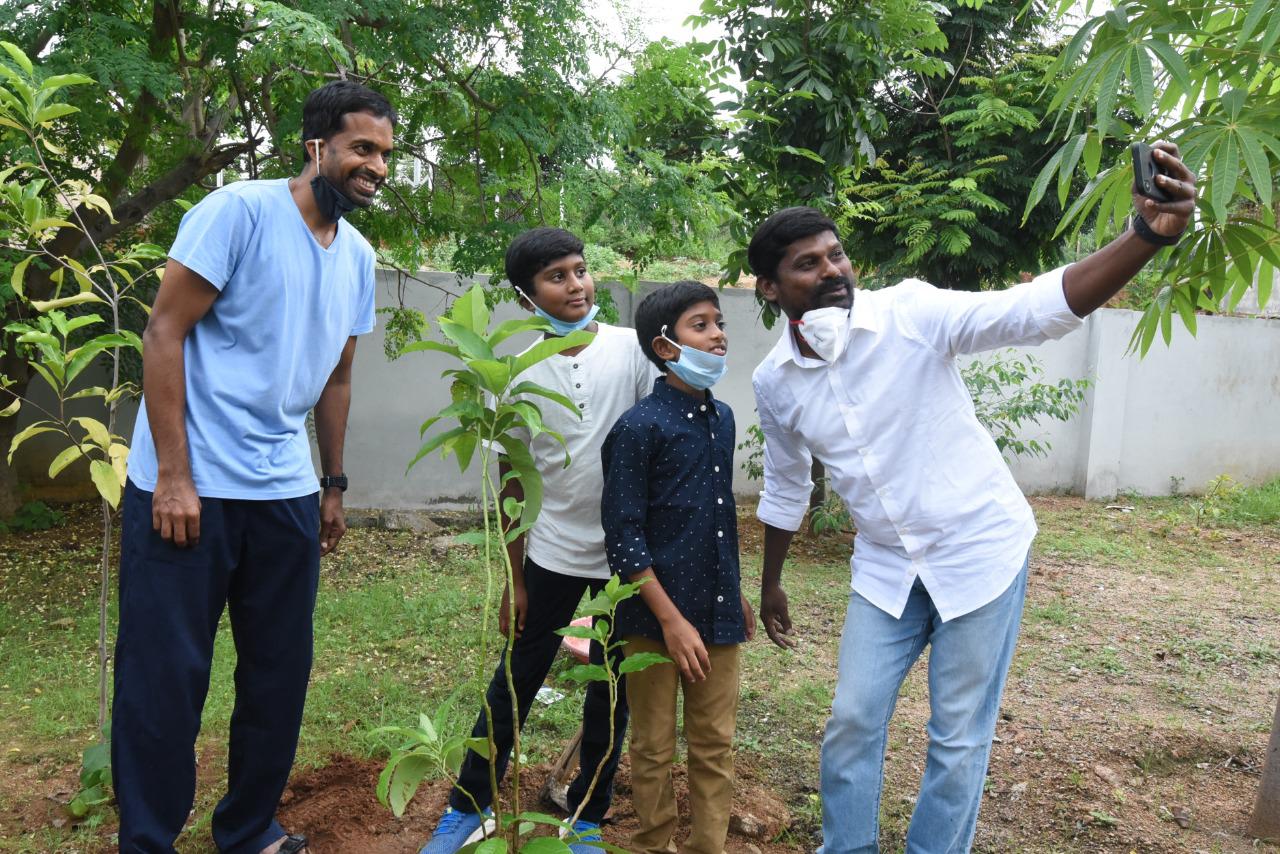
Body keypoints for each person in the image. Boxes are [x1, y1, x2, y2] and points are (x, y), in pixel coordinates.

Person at [750, 143, 1196, 853]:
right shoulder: (775, 382)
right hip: (888, 570)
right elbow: (784, 482)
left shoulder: (911, 314)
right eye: (807, 263)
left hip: (979, 553)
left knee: (958, 736)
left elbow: (1030, 312)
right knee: (854, 718)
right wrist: (771, 583)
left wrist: (1145, 235)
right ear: (769, 289)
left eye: (836, 254)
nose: (832, 271)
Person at [111, 80, 396, 854]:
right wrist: (174, 475)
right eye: (361, 149)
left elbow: (336, 377)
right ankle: (146, 838)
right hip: (190, 489)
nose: (375, 167)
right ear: (317, 147)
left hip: (284, 491)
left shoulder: (360, 257)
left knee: (277, 675)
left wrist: (331, 484)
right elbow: (163, 334)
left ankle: (246, 830)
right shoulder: (238, 211)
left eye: (384, 154)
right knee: (166, 677)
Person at [420, 228, 656, 854]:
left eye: (580, 270)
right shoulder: (515, 370)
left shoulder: (633, 352)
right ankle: (468, 809)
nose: (577, 285)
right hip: (550, 548)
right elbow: (513, 482)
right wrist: (515, 579)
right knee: (514, 680)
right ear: (527, 297)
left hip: (622, 555)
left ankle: (586, 815)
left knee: (611, 690)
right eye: (557, 276)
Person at [602, 280, 754, 854]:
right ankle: (651, 843)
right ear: (666, 347)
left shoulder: (724, 420)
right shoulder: (639, 428)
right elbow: (623, 536)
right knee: (654, 745)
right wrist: (669, 620)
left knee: (715, 743)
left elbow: (718, 516)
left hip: (716, 613)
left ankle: (707, 846)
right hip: (652, 619)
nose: (718, 334)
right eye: (701, 325)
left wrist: (734, 591)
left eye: (719, 323)